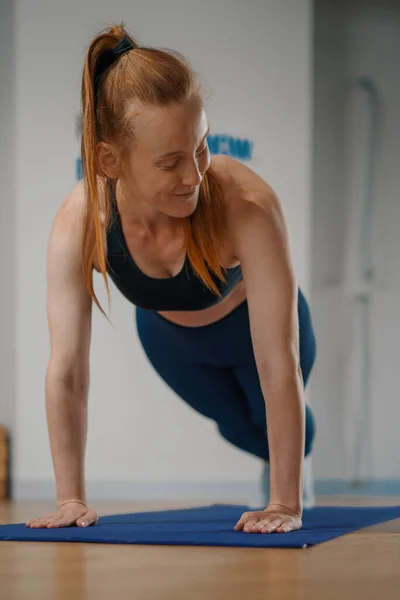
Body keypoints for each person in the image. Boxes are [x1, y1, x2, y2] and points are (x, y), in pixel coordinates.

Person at [26, 24, 316, 535]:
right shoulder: (83, 219)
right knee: (238, 427)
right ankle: (276, 458)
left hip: (254, 328)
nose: (195, 176)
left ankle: (294, 468)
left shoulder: (246, 205)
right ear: (109, 160)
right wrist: (70, 498)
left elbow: (277, 362)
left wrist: (284, 504)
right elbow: (67, 370)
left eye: (200, 147)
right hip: (170, 341)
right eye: (170, 162)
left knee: (281, 419)